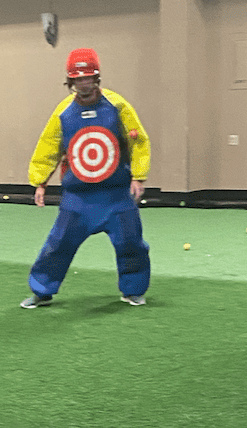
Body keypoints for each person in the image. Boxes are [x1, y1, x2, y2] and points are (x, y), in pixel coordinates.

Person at [21, 47, 152, 309]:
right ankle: (42, 291)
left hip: (117, 196)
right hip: (78, 199)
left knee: (131, 244)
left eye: (87, 78)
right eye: (77, 79)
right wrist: (40, 182)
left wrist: (139, 177)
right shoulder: (63, 112)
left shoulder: (118, 105)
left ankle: (133, 290)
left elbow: (138, 141)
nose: (83, 84)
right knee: (58, 244)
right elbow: (49, 146)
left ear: (96, 78)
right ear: (70, 81)